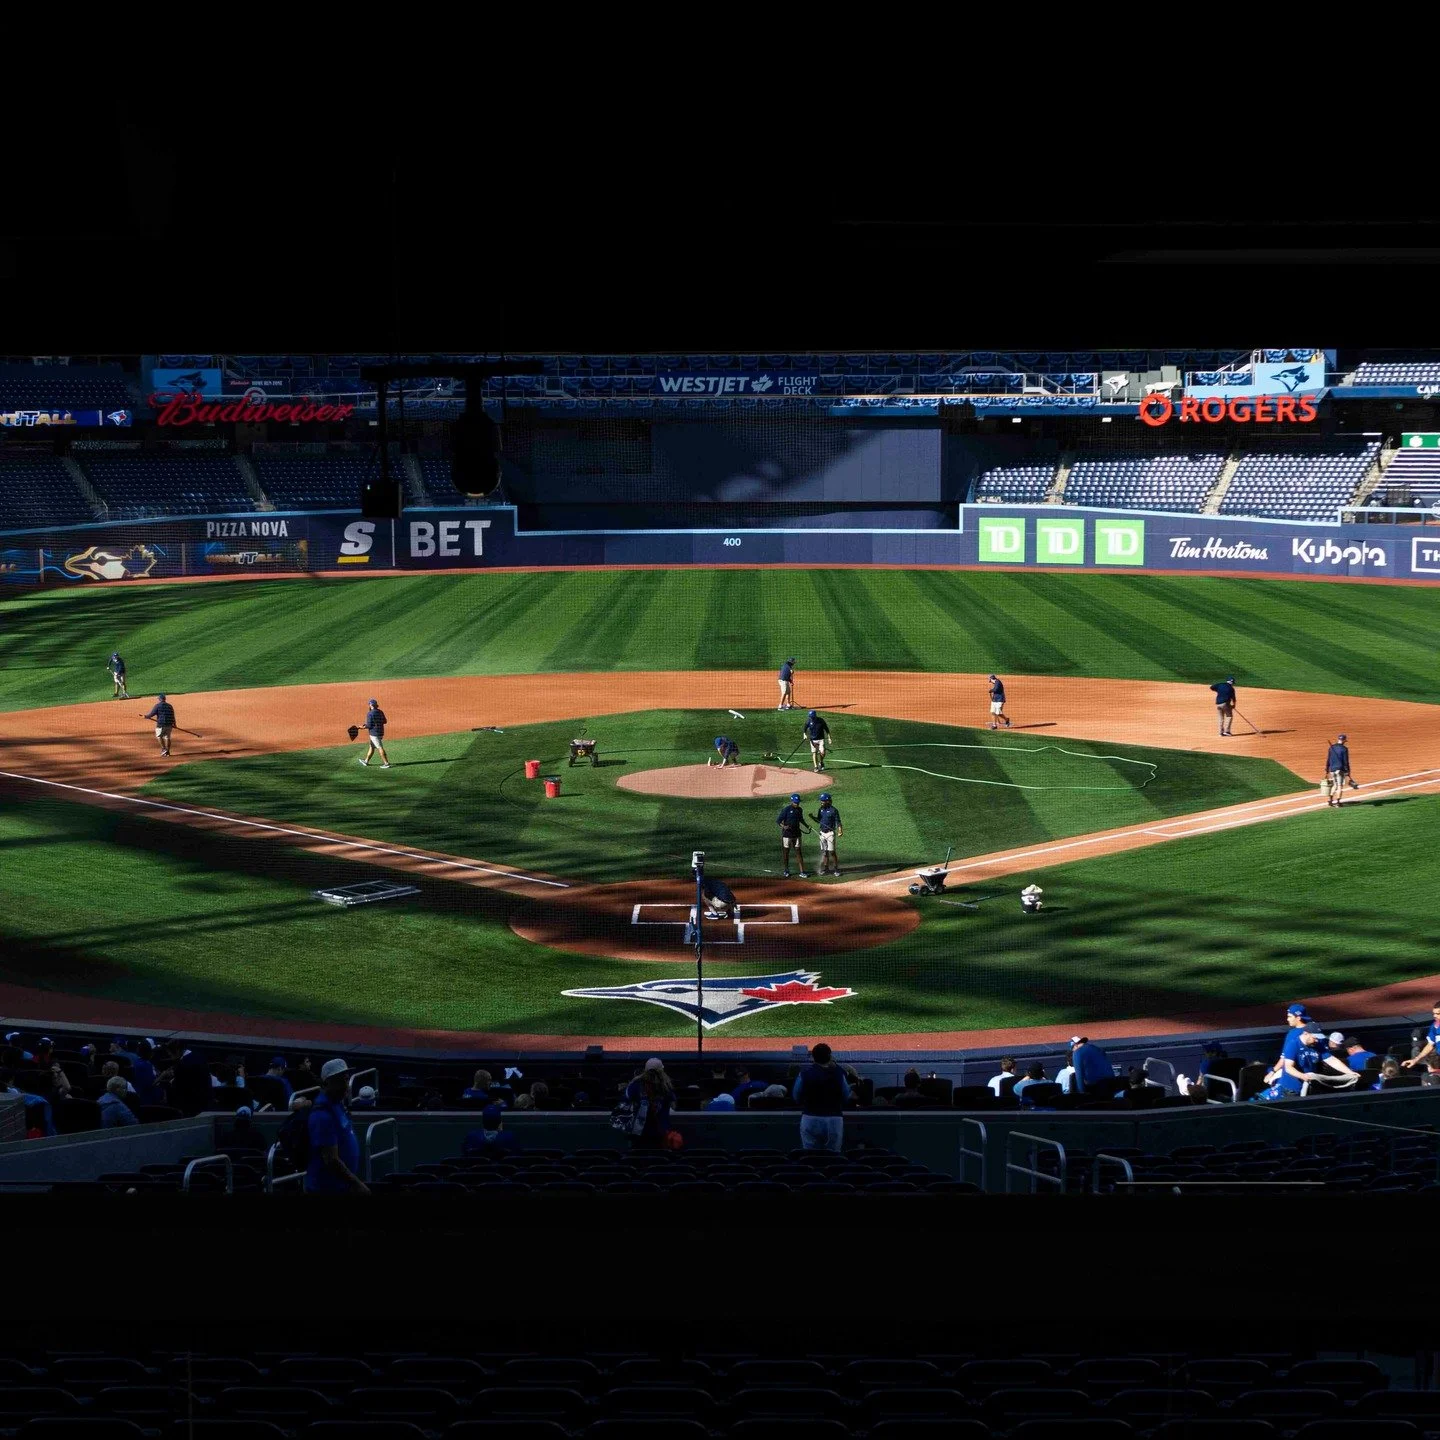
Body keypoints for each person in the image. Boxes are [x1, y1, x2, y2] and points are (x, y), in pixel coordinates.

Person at [305, 1058, 368, 1194]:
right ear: (326, 1083)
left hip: (341, 1187)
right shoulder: (322, 1115)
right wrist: (356, 1184)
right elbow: (331, 1160)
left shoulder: (337, 1104)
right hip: (326, 1189)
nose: (346, 1085)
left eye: (346, 1079)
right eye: (340, 1081)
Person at [793, 1042, 850, 1151]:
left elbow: (796, 1097)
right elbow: (846, 1096)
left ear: (813, 1057)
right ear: (830, 1056)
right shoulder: (839, 1073)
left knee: (810, 1157)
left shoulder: (805, 1073)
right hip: (834, 1119)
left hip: (810, 1117)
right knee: (833, 1157)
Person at [623, 1057, 675, 1149]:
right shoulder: (666, 1088)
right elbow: (673, 1105)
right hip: (660, 1131)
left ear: (645, 1070)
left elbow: (625, 1103)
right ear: (661, 1071)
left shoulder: (634, 1085)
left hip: (638, 1132)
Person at [1264, 1003, 1318, 1089]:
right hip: (1313, 1079)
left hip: (1293, 1082)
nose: (1287, 1019)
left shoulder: (1293, 1034)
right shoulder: (1315, 1031)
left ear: (1298, 1018)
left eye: (1290, 1016)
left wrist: (1272, 1071)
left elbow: (1284, 1059)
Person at [776, 792, 811, 879]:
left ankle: (802, 871)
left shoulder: (800, 810)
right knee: (786, 853)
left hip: (797, 834)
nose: (797, 804)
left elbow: (801, 820)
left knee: (799, 852)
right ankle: (786, 870)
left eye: (798, 802)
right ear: (792, 802)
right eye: (795, 802)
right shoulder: (786, 810)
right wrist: (784, 826)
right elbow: (778, 821)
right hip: (787, 835)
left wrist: (807, 826)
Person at [809, 792, 844, 876]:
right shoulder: (820, 809)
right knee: (825, 852)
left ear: (828, 801)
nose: (821, 802)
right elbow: (819, 820)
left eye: (823, 801)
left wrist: (840, 831)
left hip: (830, 833)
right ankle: (826, 868)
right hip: (822, 833)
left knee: (832, 851)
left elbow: (838, 822)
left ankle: (836, 869)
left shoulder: (833, 810)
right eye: (821, 801)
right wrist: (812, 817)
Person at [1403, 1000, 1440, 1076]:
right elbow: (1430, 1045)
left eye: (1438, 1014)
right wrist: (1415, 1060)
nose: (1434, 1016)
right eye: (1434, 1013)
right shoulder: (1435, 1026)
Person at [357, 699, 390, 769]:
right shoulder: (380, 712)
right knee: (372, 746)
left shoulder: (370, 713)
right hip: (381, 732)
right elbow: (385, 721)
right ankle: (366, 761)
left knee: (379, 747)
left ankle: (386, 763)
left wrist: (362, 727)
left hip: (374, 734)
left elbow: (369, 725)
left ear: (371, 705)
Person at [143, 693, 177, 758]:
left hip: (161, 724)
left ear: (159, 699)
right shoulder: (170, 706)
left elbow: (151, 714)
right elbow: (173, 715)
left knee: (159, 736)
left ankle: (164, 749)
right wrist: (174, 724)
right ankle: (167, 751)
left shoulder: (158, 706)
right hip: (169, 724)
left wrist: (146, 716)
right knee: (167, 737)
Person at [1325, 733, 1354, 807]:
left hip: (1332, 769)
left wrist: (1327, 769)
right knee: (1340, 786)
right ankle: (1338, 802)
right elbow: (1346, 761)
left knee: (1335, 785)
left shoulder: (1331, 748)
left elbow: (1328, 759)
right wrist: (1348, 771)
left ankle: (1330, 800)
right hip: (1340, 769)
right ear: (1344, 740)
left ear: (1338, 739)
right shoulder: (1344, 749)